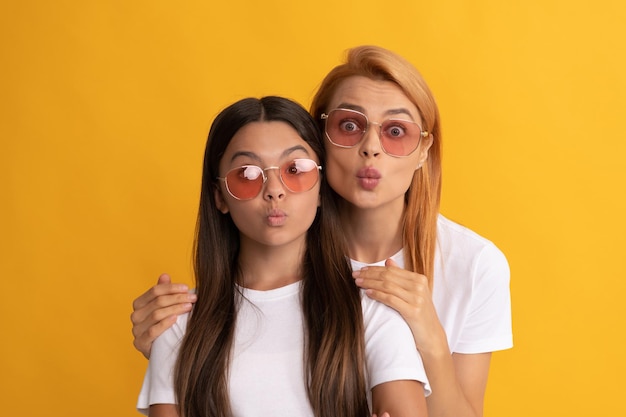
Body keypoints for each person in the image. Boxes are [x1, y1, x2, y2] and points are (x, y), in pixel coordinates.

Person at [132, 46, 512, 417]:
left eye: (396, 130)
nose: (371, 149)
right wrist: (183, 345)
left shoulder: (473, 264)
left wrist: (431, 341)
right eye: (349, 125)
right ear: (319, 139)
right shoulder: (280, 228)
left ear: (424, 149)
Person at [136, 96, 429, 417]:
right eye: (247, 174)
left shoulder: (372, 312)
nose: (274, 189)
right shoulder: (179, 325)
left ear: (320, 189)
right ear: (219, 195)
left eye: (296, 169)